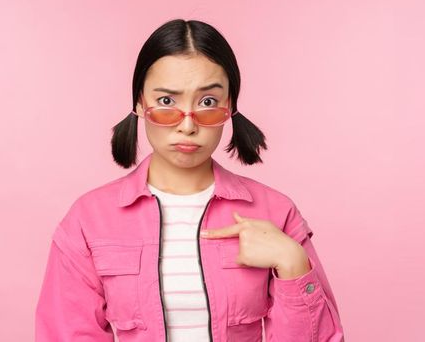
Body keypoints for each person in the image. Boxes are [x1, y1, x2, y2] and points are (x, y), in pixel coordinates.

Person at [35, 19, 345, 341]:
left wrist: (293, 263)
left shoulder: (276, 212)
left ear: (230, 107)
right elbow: (64, 333)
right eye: (167, 102)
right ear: (140, 103)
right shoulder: (89, 220)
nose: (187, 125)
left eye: (208, 102)